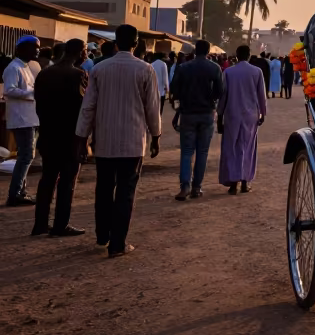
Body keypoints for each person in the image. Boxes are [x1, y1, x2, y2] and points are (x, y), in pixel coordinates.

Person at [74, 24, 161, 257]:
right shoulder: (145, 69)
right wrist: (156, 136)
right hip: (132, 142)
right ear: (136, 43)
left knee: (104, 189)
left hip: (105, 142)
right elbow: (152, 108)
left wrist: (82, 138)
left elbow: (88, 107)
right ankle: (117, 244)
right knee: (125, 192)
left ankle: (103, 237)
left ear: (114, 43)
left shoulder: (100, 69)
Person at [32, 38, 88, 235]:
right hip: (70, 137)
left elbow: (38, 103)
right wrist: (84, 140)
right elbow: (83, 109)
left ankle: (40, 224)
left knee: (47, 179)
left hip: (48, 134)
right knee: (67, 182)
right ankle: (60, 225)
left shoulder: (45, 73)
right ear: (81, 52)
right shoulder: (78, 74)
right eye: (85, 50)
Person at [170, 39, 224, 200]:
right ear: (208, 52)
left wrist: (181, 103)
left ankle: (185, 186)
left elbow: (174, 89)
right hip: (206, 113)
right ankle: (196, 187)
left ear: (194, 50)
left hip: (187, 113)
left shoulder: (184, 67)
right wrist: (210, 100)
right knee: (202, 152)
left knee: (187, 152)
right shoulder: (214, 68)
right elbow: (220, 91)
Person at [218, 45, 267, 194]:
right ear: (249, 55)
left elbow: (223, 96)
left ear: (236, 55)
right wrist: (263, 113)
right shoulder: (256, 72)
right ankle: (245, 182)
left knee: (231, 147)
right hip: (250, 115)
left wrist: (219, 116)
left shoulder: (228, 72)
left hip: (232, 114)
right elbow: (261, 95)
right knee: (248, 147)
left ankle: (233, 183)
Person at [4, 35, 40, 207]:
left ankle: (20, 192)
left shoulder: (27, 67)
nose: (37, 51)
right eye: (34, 47)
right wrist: (32, 94)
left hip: (29, 118)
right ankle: (15, 194)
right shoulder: (13, 68)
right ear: (22, 49)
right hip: (21, 118)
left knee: (26, 156)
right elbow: (9, 91)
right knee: (26, 156)